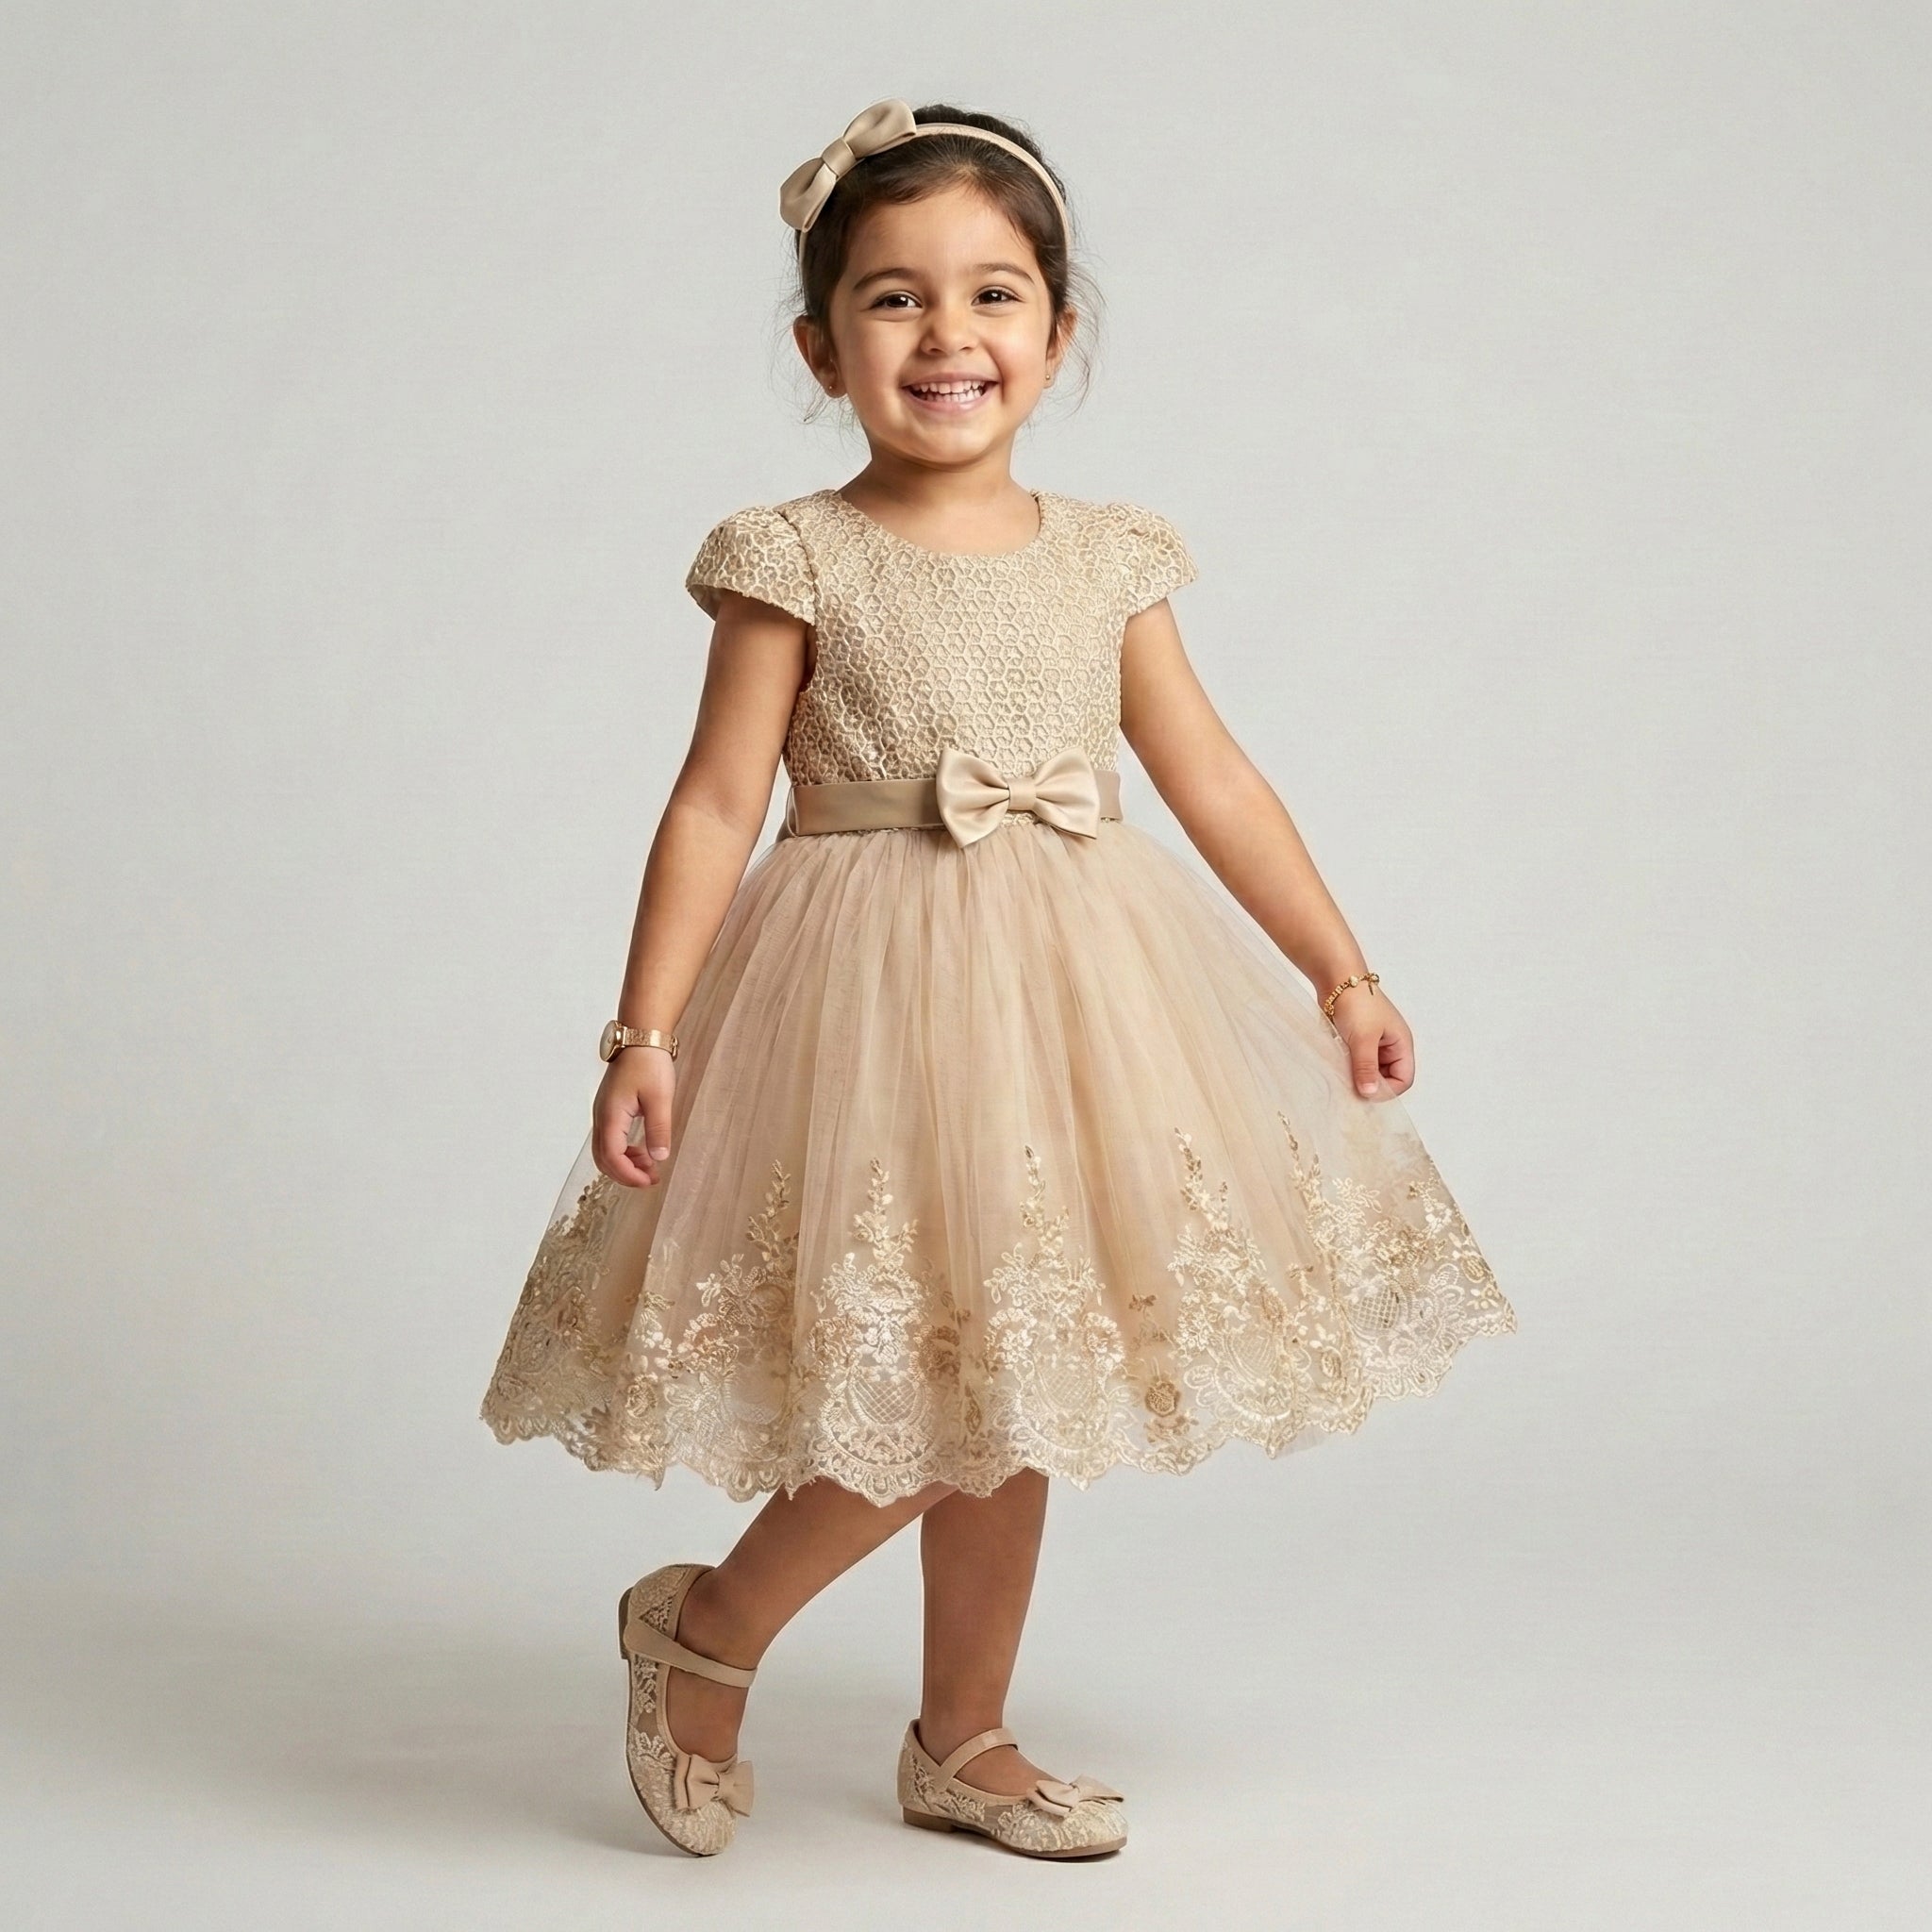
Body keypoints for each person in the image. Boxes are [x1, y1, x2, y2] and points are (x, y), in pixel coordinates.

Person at [480, 97, 1515, 1862]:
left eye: (993, 296)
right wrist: (643, 1028)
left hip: (1082, 990)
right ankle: (707, 1631)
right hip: (864, 994)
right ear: (820, 345)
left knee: (1025, 1357)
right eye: (892, 300)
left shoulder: (1114, 555)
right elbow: (717, 800)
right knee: (924, 1356)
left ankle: (964, 1734)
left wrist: (1342, 970)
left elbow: (1214, 777)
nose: (947, 337)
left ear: (1058, 332)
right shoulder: (790, 554)